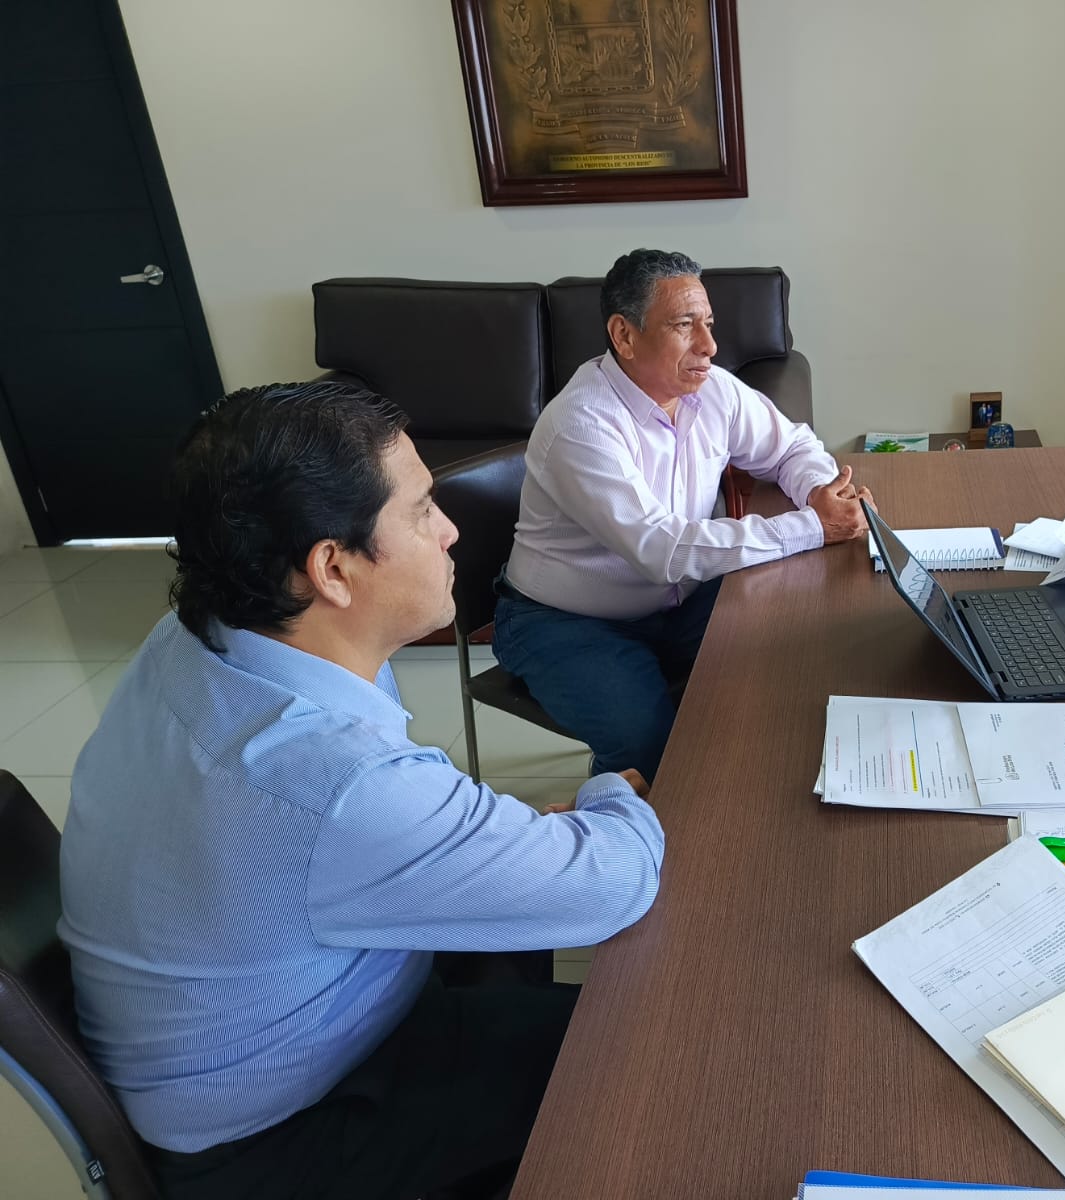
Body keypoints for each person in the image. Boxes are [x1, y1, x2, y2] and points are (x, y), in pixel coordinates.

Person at [57, 381, 666, 1200]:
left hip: (251, 1028)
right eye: (422, 511)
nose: (450, 531)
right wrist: (611, 793)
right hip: (283, 1138)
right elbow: (614, 883)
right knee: (647, 1056)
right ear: (333, 568)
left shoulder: (199, 636)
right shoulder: (329, 778)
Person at [494, 248, 872, 782]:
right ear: (624, 336)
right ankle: (624, 807)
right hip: (567, 621)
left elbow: (791, 446)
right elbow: (663, 551)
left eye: (709, 324)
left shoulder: (709, 388)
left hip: (680, 602)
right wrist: (813, 527)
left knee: (795, 652)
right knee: (655, 750)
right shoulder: (581, 424)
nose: (709, 346)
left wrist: (821, 493)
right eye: (683, 325)